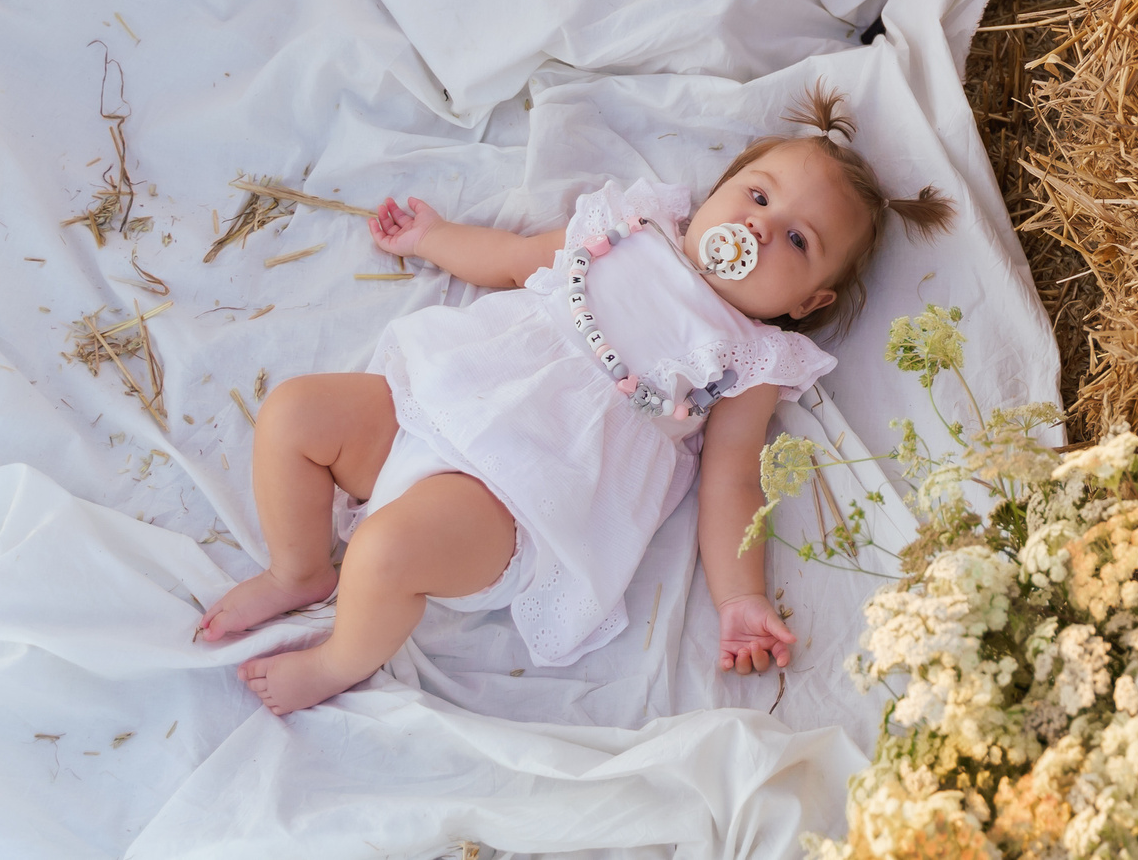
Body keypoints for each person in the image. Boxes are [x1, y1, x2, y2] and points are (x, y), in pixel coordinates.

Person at [192, 84, 954, 715]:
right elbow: (513, 261)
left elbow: (732, 482)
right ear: (716, 191)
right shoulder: (625, 227)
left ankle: (338, 658)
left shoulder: (751, 356)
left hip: (523, 491)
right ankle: (299, 571)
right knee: (294, 413)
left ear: (807, 301)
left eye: (796, 240)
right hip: (442, 402)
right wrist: (434, 237)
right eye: (756, 195)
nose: (760, 225)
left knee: (387, 551)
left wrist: (739, 597)